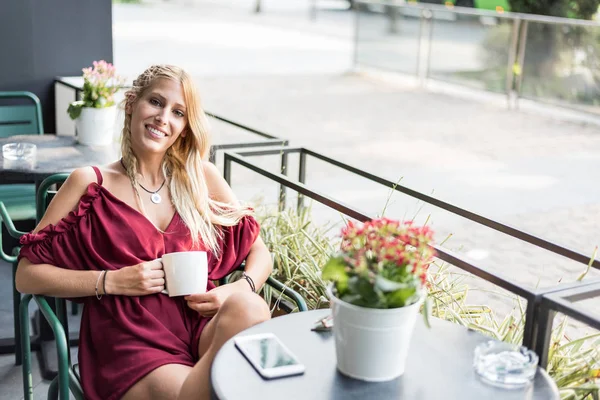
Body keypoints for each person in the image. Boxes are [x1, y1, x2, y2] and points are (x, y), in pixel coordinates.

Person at [15, 65, 273, 400]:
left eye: (178, 112)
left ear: (184, 127)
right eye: (156, 102)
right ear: (131, 104)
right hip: (128, 338)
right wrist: (110, 281)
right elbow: (26, 274)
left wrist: (237, 287)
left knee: (250, 308)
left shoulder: (201, 178)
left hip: (198, 324)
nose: (163, 118)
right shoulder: (90, 183)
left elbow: (260, 252)